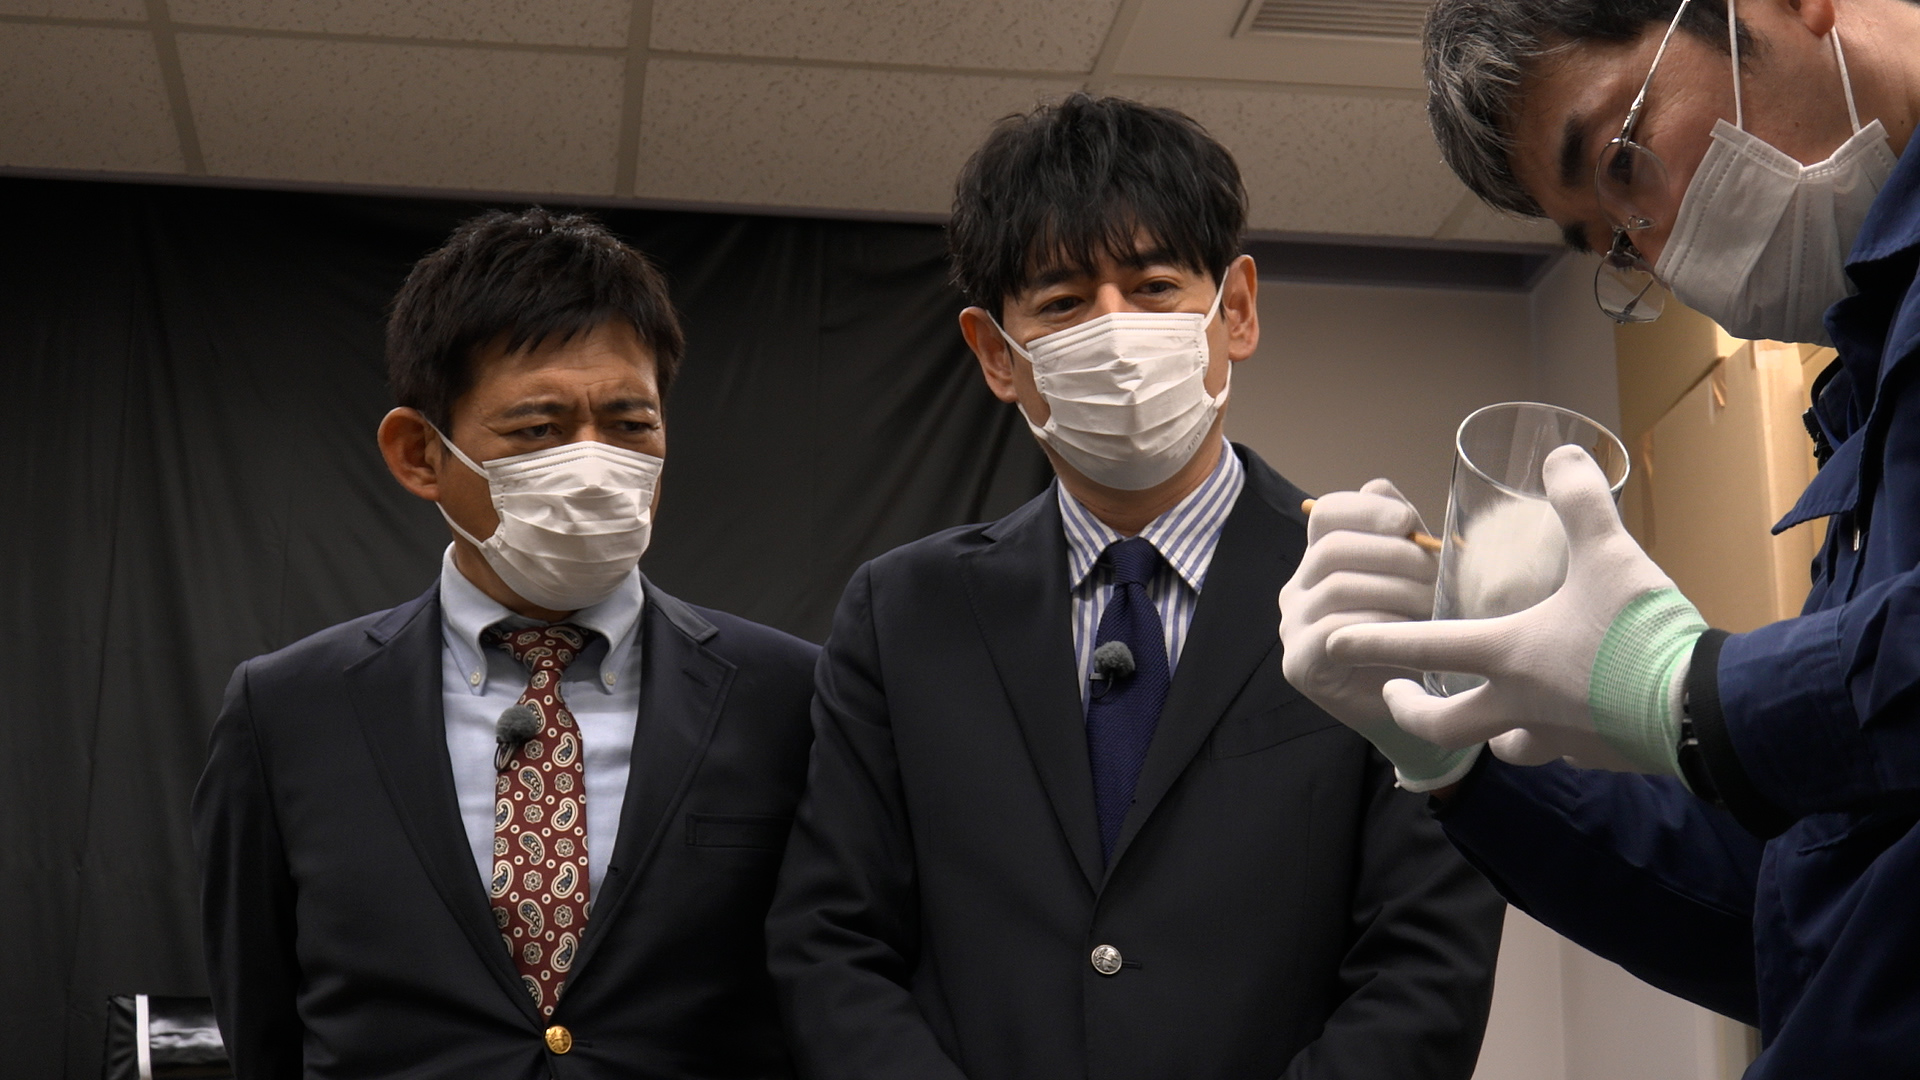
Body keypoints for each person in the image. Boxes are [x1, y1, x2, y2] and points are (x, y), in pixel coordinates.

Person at [766, 94, 1505, 1080]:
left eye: (1155, 287)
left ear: (1234, 310)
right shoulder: (903, 614)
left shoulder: (1384, 590)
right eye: (1064, 304)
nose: (1116, 332)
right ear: (997, 355)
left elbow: (1427, 965)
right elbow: (829, 945)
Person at [1278, 1, 1920, 1076]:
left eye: (1625, 160)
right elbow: (1790, 916)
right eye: (1616, 239)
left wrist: (1687, 690)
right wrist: (1454, 763)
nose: (1659, 253)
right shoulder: (1868, 382)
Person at [192, 209, 818, 1079]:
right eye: (538, 430)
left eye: (630, 424)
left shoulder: (790, 697)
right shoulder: (288, 712)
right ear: (420, 453)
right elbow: (261, 1020)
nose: (594, 468)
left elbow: (833, 984)